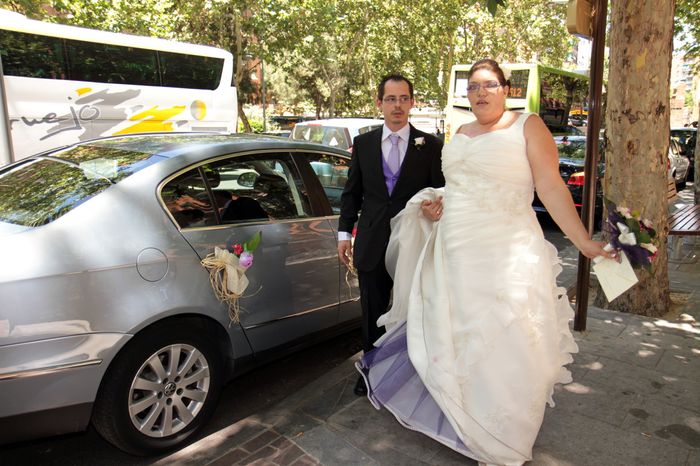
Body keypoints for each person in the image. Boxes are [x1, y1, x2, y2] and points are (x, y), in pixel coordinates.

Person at [356, 59, 616, 466]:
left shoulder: (527, 126)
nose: (480, 93)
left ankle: (503, 435)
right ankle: (465, 415)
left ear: (506, 88)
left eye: (489, 85)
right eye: (473, 86)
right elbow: (455, 187)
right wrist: (434, 205)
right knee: (454, 336)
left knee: (503, 337)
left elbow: (549, 185)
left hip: (504, 249)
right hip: (453, 249)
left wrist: (582, 240)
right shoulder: (460, 132)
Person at [337, 74, 445, 397]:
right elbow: (351, 193)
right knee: (372, 311)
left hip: (413, 244)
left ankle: (408, 371)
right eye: (390, 99)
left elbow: (441, 192)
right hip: (371, 241)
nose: (397, 106)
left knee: (411, 310)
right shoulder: (364, 143)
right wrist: (344, 233)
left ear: (412, 102)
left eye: (403, 99)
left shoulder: (431, 146)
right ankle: (370, 371)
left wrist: (434, 207)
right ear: (379, 103)